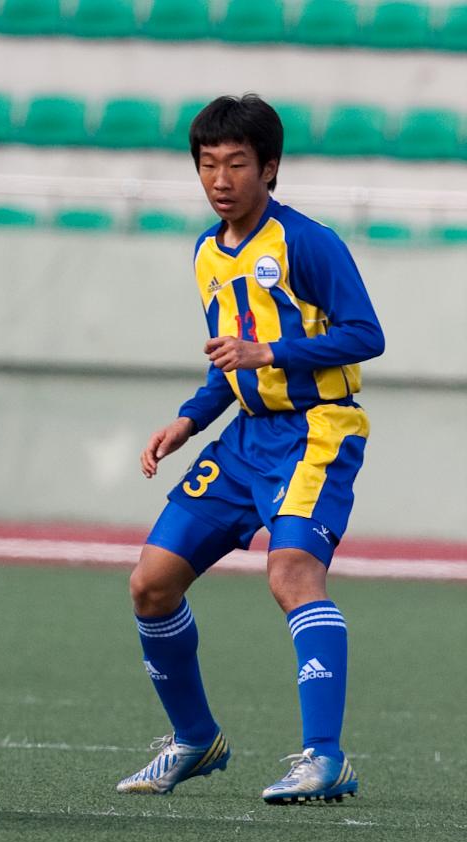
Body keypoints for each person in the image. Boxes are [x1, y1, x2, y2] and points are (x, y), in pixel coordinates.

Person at [115, 95, 384, 805]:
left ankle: (325, 758)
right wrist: (188, 421)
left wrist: (272, 349)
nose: (221, 178)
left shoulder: (306, 242)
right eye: (208, 164)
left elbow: (365, 334)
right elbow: (228, 362)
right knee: (151, 583)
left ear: (269, 167)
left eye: (237, 163)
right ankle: (195, 738)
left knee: (292, 572)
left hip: (316, 429)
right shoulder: (206, 252)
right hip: (244, 440)